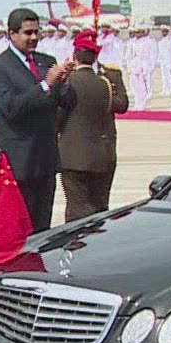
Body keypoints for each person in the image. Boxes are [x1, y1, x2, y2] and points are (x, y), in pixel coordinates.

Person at [0, 7, 75, 233]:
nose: (34, 37)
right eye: (28, 33)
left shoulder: (46, 62)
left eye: (36, 32)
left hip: (45, 158)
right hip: (17, 162)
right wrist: (45, 85)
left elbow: (64, 102)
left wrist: (64, 83)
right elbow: (10, 108)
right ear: (12, 34)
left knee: (42, 226)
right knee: (16, 229)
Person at [57, 31, 129, 222]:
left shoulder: (71, 80)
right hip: (101, 153)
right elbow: (118, 104)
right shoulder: (105, 79)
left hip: (76, 155)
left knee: (80, 210)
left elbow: (122, 104)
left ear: (74, 55)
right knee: (97, 209)